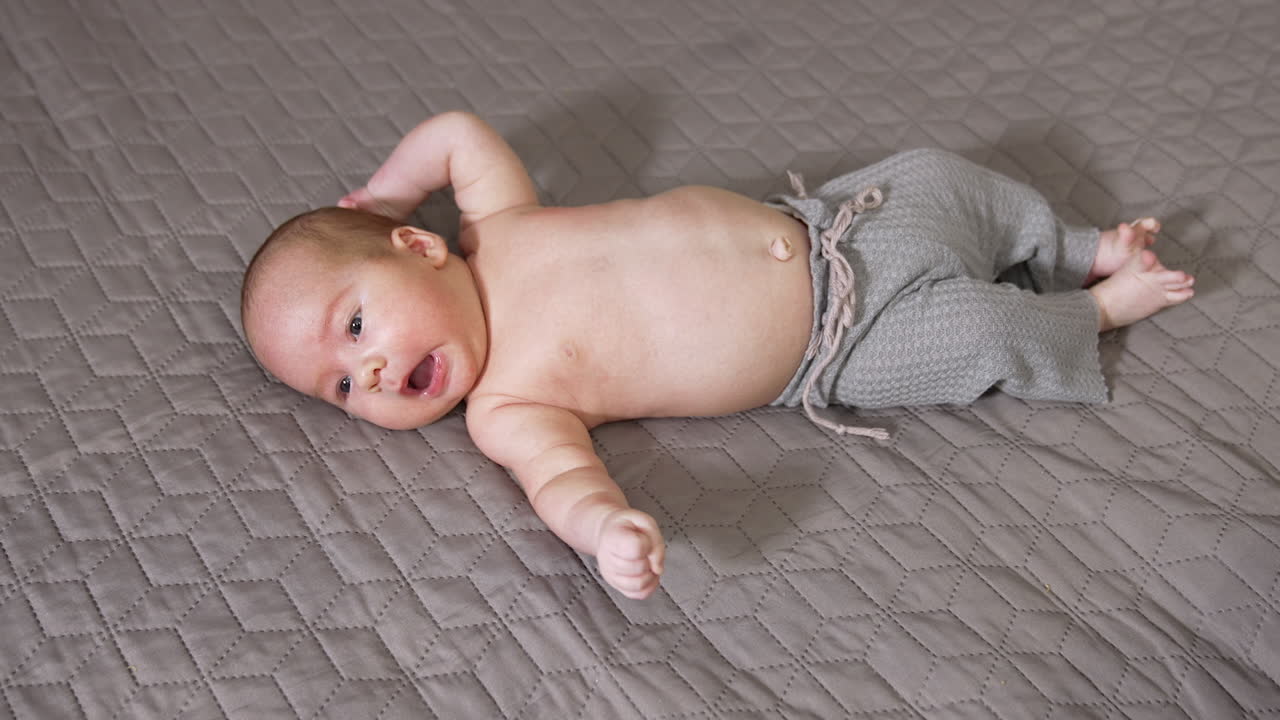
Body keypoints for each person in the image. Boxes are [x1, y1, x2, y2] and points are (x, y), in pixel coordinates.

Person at [240, 111, 1195, 599]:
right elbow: (559, 481)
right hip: (833, 348)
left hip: (832, 224)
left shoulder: (501, 221)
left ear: (417, 246)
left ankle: (1074, 248)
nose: (363, 376)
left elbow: (454, 134)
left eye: (355, 327)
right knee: (980, 336)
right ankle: (1101, 310)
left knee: (945, 178)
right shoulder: (508, 404)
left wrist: (385, 194)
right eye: (338, 388)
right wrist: (605, 532)